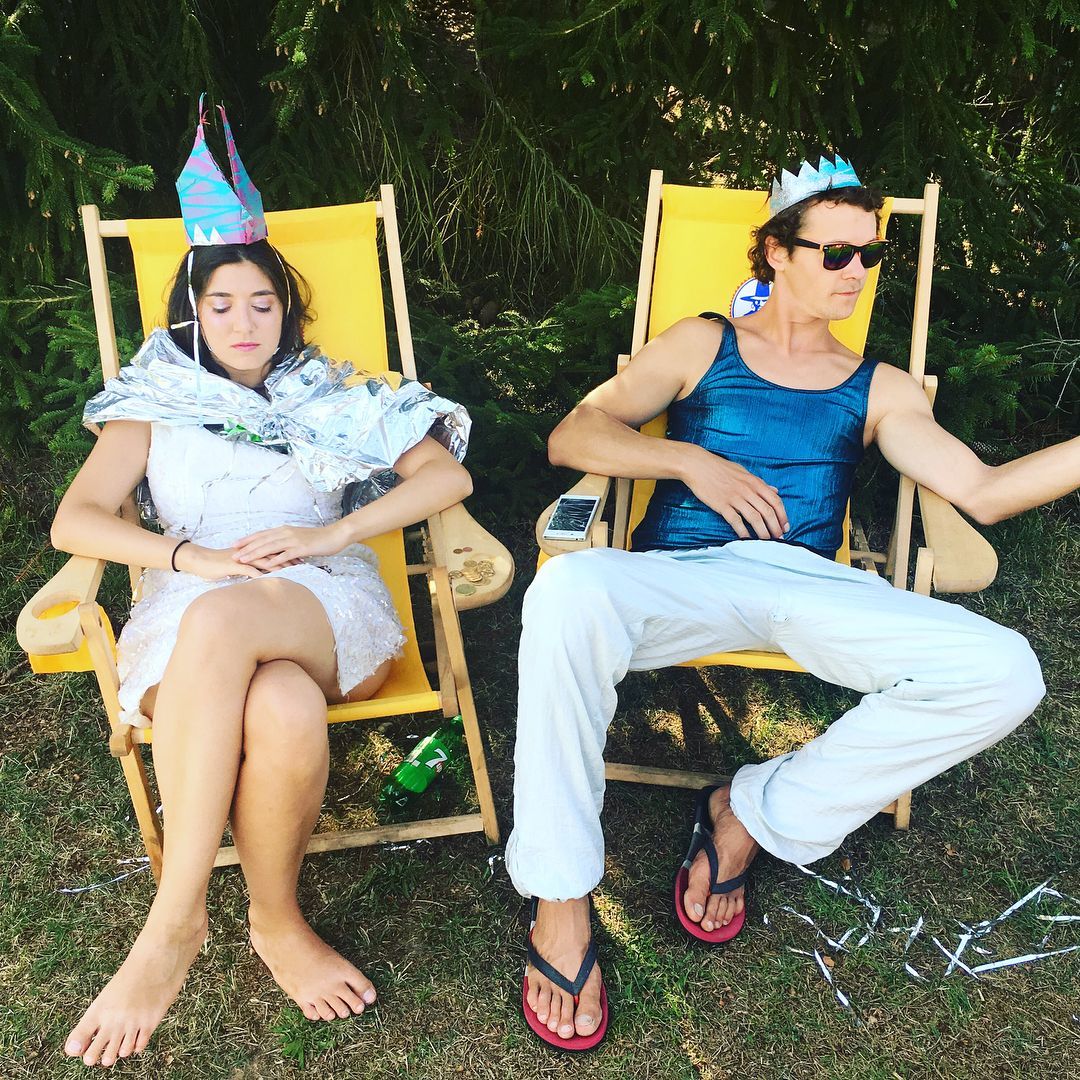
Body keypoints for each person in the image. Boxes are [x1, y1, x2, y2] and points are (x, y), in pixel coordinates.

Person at [506, 153, 1078, 1049]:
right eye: (834, 253)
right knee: (567, 587)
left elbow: (987, 490)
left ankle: (752, 814)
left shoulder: (879, 385)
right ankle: (561, 897)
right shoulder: (703, 343)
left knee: (1007, 670)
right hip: (684, 575)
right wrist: (689, 460)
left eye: (870, 255)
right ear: (776, 252)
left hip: (808, 584)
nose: (856, 273)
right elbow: (575, 432)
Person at [54, 101, 473, 1068]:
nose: (244, 323)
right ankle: (274, 921)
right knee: (279, 706)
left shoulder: (332, 395)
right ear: (191, 314)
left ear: (286, 310)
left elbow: (445, 477)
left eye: (262, 303)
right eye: (222, 305)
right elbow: (77, 520)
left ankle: (174, 922)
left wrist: (333, 529)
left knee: (234, 624)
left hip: (321, 597)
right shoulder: (154, 401)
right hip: (191, 601)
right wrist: (190, 559)